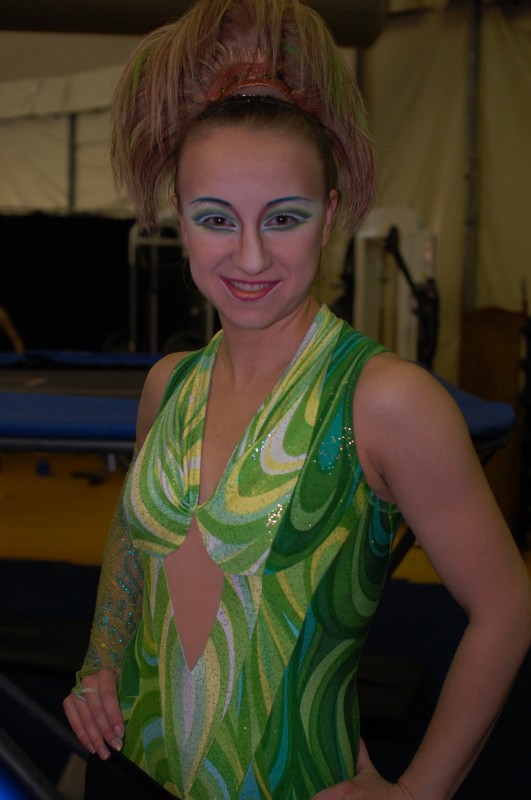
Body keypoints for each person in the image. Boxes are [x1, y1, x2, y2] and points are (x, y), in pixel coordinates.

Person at [63, 1, 531, 798]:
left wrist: (419, 792)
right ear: (180, 218)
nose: (249, 257)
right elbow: (136, 542)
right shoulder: (169, 383)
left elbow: (506, 608)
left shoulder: (382, 402)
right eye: (216, 218)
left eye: (283, 217)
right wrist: (100, 661)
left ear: (330, 215)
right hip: (126, 769)